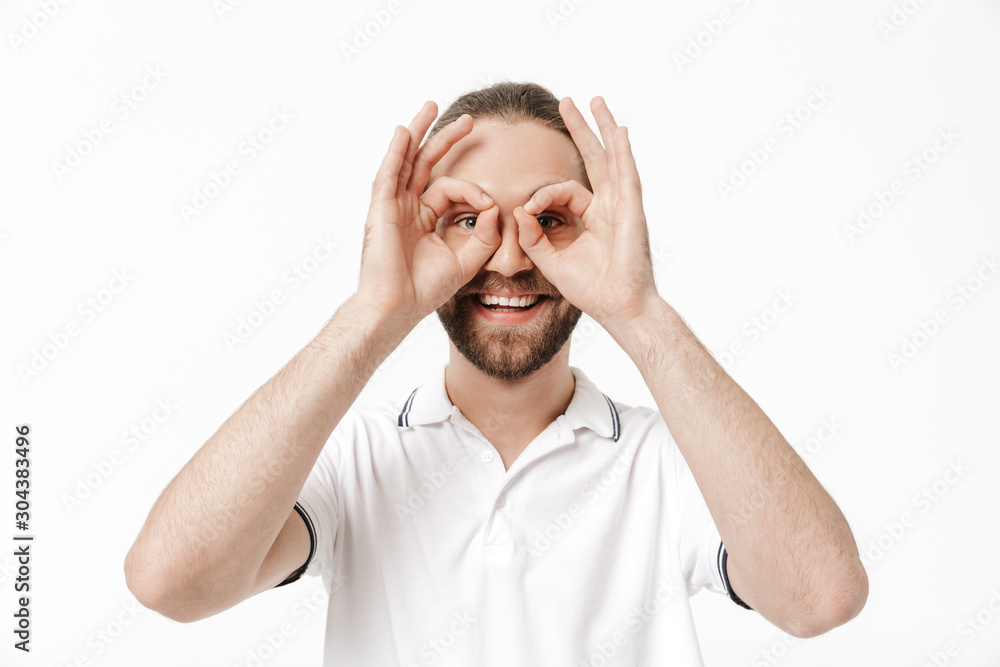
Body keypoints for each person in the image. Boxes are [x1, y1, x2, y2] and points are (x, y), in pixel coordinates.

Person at [124, 82, 868, 665]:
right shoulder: (358, 458)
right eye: (465, 219)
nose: (509, 258)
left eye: (550, 220)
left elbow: (822, 597)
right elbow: (169, 582)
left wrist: (637, 309)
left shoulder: (666, 463)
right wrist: (374, 310)